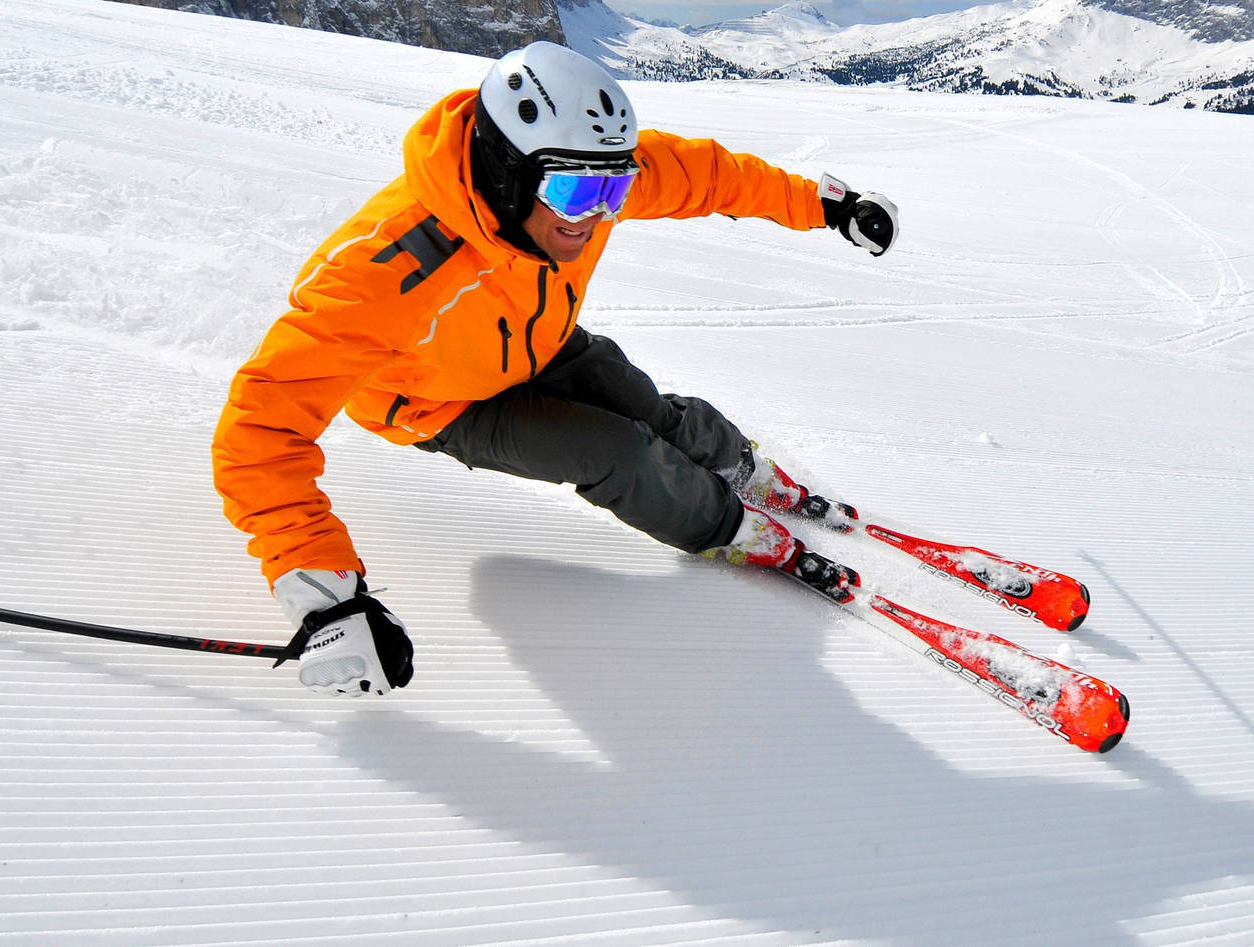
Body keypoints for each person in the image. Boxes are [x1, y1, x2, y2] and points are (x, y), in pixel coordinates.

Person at [212, 41, 898, 697]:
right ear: (507, 172)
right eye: (576, 194)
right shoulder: (385, 270)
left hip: (534, 343)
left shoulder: (580, 176)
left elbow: (708, 176)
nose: (595, 215)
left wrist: (828, 206)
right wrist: (326, 598)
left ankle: (735, 464)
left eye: (615, 189)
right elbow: (259, 433)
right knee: (615, 451)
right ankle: (727, 526)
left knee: (638, 402)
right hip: (441, 400)